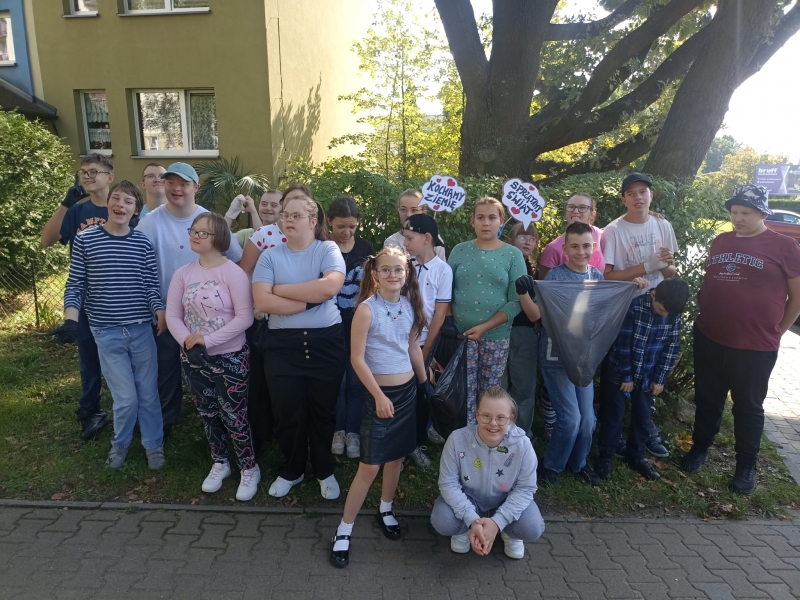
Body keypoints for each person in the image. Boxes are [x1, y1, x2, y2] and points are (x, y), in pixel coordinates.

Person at [682, 185, 800, 494]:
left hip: (755, 346)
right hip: (710, 336)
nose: (738, 218)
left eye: (745, 213)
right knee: (708, 398)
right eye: (734, 212)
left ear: (762, 213)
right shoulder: (721, 241)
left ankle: (746, 465)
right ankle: (700, 447)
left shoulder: (785, 246)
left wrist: (778, 331)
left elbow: (797, 297)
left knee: (748, 406)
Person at [329, 246, 430, 568]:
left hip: (407, 393)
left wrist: (425, 385)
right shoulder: (366, 310)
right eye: (386, 269)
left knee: (396, 458)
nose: (392, 275)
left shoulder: (410, 306)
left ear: (407, 273)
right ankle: (344, 530)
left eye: (398, 269)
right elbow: (357, 359)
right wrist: (378, 396)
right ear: (375, 274)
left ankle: (386, 509)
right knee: (370, 466)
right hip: (379, 397)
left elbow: (413, 347)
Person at [137, 162, 244, 436]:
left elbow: (235, 258)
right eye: (170, 182)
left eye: (183, 184)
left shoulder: (210, 221)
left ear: (195, 187)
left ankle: (220, 423)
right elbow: (139, 269)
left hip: (208, 319)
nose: (177, 189)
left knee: (211, 372)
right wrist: (156, 307)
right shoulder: (149, 223)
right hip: (166, 314)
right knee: (166, 370)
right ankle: (166, 422)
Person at [63, 181, 164, 469]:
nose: (121, 205)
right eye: (116, 198)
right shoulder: (86, 240)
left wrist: (159, 312)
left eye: (128, 201)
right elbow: (75, 284)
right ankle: (120, 445)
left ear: (136, 210)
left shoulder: (142, 243)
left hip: (141, 330)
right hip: (106, 333)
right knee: (126, 398)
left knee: (148, 395)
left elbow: (151, 286)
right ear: (108, 203)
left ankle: (153, 445)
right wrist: (70, 320)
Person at [252, 193, 346, 500]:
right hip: (282, 346)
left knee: (323, 410)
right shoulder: (269, 256)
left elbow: (330, 287)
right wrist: (309, 300)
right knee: (287, 411)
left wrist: (280, 290)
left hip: (325, 344)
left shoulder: (327, 249)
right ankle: (292, 469)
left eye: (295, 215)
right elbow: (263, 301)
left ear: (313, 221)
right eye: (285, 215)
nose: (288, 220)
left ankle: (324, 469)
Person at [166, 213, 259, 501]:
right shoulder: (183, 274)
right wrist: (188, 343)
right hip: (194, 359)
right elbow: (173, 316)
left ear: (218, 237)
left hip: (230, 357)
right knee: (207, 413)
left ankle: (249, 467)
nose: (195, 236)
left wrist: (207, 341)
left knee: (234, 414)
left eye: (203, 233)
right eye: (193, 231)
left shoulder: (233, 273)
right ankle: (220, 462)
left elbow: (245, 317)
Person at [519, 222, 617, 487]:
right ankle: (552, 465)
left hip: (583, 360)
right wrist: (524, 293)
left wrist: (633, 287)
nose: (580, 252)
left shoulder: (596, 277)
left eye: (586, 246)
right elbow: (538, 315)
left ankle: (579, 463)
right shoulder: (555, 276)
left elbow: (601, 314)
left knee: (588, 421)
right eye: (574, 246)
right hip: (556, 358)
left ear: (593, 247)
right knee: (570, 419)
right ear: (565, 249)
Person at [601, 173, 678, 458]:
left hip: (658, 308)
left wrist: (663, 266)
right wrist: (646, 266)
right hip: (626, 309)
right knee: (620, 375)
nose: (638, 198)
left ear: (651, 195)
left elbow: (670, 272)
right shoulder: (613, 231)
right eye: (631, 193)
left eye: (643, 192)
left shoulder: (662, 225)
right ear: (623, 199)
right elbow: (607, 276)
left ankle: (644, 436)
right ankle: (610, 441)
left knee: (649, 376)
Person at [42, 153, 116, 440]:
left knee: (124, 356)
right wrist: (65, 203)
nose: (87, 176)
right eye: (84, 171)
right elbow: (47, 240)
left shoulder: (122, 207)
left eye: (94, 171)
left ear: (109, 177)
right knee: (88, 355)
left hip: (118, 296)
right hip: (85, 295)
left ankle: (131, 409)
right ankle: (91, 409)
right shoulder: (77, 211)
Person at [431, 386, 544, 559]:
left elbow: (525, 488)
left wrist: (498, 521)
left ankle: (508, 532)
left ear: (511, 419)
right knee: (442, 520)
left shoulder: (523, 445)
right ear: (476, 415)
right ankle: (465, 529)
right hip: (469, 500)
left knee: (532, 527)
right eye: (486, 416)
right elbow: (448, 484)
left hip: (505, 502)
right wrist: (471, 519)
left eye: (501, 418)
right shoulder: (457, 439)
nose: (493, 423)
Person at [595, 278, 691, 481]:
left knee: (643, 416)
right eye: (661, 309)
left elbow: (671, 348)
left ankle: (636, 455)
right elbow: (622, 345)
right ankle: (605, 455)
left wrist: (660, 379)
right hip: (620, 372)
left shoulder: (672, 313)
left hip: (648, 375)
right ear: (653, 295)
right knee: (614, 415)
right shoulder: (634, 308)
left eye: (668, 313)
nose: (664, 315)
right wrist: (627, 377)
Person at [448, 197, 527, 424]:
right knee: (462, 391)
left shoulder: (513, 255)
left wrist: (485, 327)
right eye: (480, 217)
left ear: (501, 221)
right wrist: (449, 322)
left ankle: (486, 435)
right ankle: (464, 436)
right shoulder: (459, 251)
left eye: (492, 217)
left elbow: (516, 301)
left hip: (495, 337)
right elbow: (445, 291)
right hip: (461, 335)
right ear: (472, 221)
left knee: (488, 394)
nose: (486, 223)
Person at [401, 214, 452, 463]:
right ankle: (399, 444)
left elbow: (439, 314)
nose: (405, 243)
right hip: (400, 342)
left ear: (427, 238)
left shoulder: (443, 270)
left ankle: (416, 442)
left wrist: (425, 350)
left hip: (424, 343)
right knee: (400, 393)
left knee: (422, 394)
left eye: (410, 238)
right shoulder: (403, 265)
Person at [328, 196, 375, 459]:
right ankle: (338, 429)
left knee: (357, 380)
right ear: (329, 222)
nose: (347, 232)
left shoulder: (366, 248)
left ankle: (353, 430)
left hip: (358, 325)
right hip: (330, 326)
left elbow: (372, 286)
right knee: (338, 380)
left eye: (352, 227)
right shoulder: (322, 247)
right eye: (341, 226)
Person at [500, 222, 541, 440]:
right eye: (522, 237)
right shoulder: (499, 262)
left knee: (524, 388)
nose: (528, 242)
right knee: (498, 386)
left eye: (532, 239)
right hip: (497, 330)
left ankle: (522, 435)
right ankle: (497, 432)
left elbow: (536, 312)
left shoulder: (535, 271)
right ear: (511, 240)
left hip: (524, 333)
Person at [238, 185, 311, 277]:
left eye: (299, 199)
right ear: (282, 203)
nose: (294, 203)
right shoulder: (262, 233)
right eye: (289, 199)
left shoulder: (314, 236)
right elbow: (244, 271)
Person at [538, 193, 605, 280]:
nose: (576, 211)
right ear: (565, 248)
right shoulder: (552, 249)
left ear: (592, 213)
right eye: (571, 207)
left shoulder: (602, 236)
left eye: (582, 207)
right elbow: (545, 286)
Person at [384, 189, 446, 262]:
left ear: (423, 212)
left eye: (414, 210)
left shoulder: (434, 240)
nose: (408, 215)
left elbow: (441, 266)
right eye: (403, 210)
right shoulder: (392, 242)